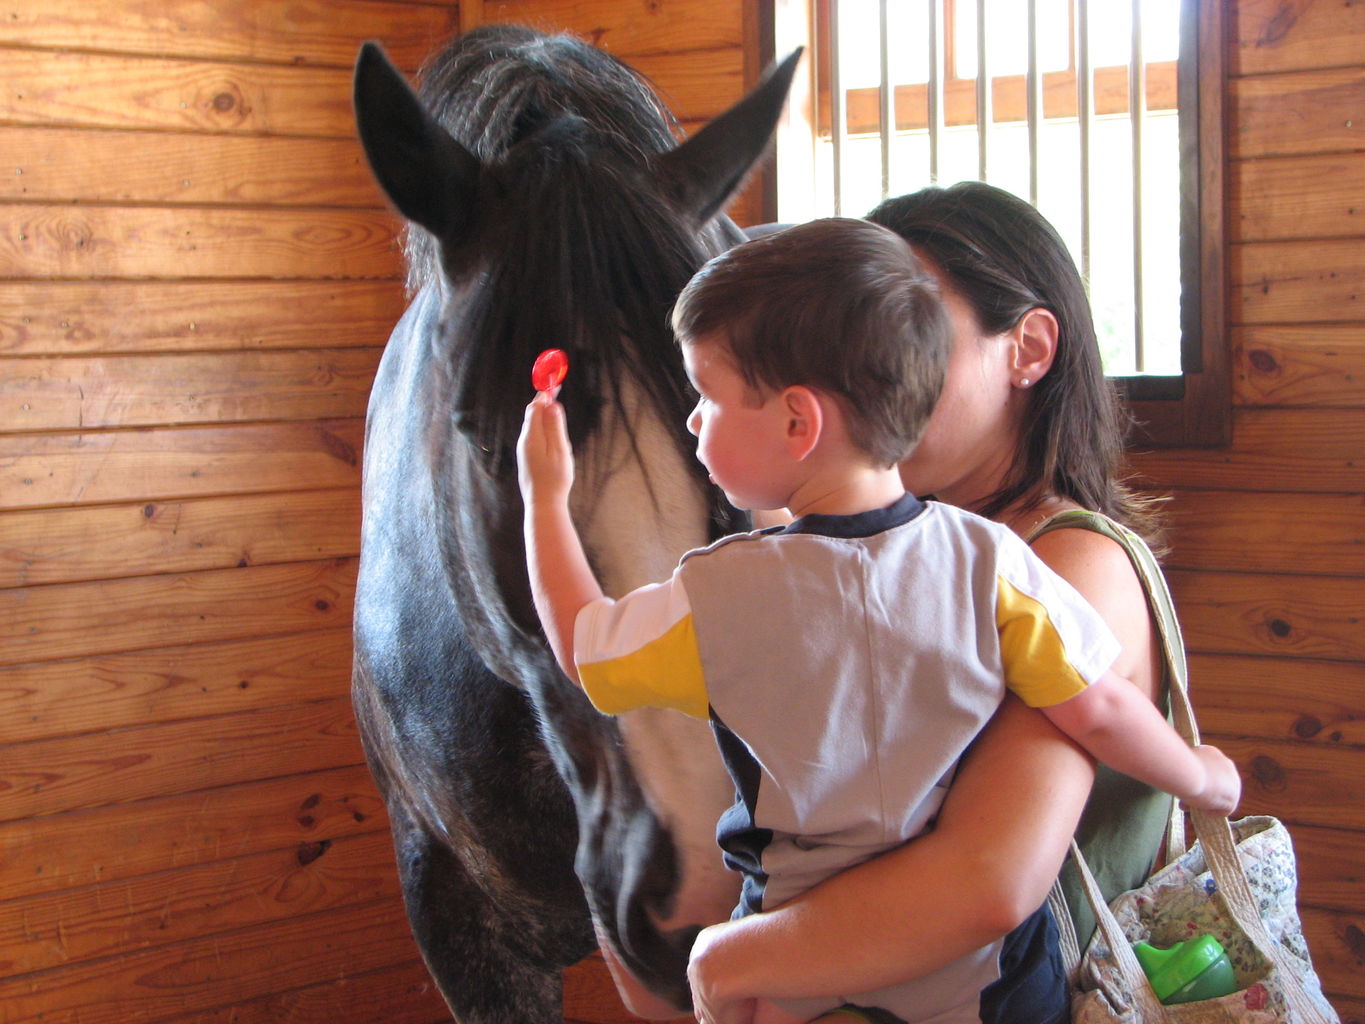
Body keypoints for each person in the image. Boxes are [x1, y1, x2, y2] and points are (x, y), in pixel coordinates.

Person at [517, 216, 1238, 1024]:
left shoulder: (728, 590)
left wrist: (545, 501)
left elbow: (987, 883)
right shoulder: (993, 563)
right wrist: (1202, 773)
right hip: (994, 990)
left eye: (706, 398)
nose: (693, 420)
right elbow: (1103, 709)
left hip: (811, 971)